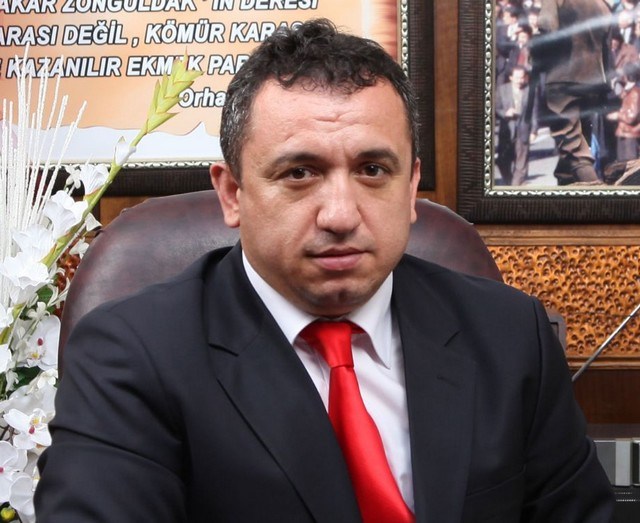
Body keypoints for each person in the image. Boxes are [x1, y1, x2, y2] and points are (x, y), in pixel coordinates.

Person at [35, 19, 614, 522]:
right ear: (232, 193)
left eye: (373, 170)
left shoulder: (510, 335)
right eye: (299, 173)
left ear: (412, 185)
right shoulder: (133, 355)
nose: (340, 215)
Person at [531, 0, 613, 185]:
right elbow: (607, 47)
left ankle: (596, 192)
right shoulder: (601, 4)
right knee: (577, 144)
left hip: (564, 78)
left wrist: (534, 50)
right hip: (593, 81)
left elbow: (546, 27)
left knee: (573, 146)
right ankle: (568, 189)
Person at [495, 65, 540, 185]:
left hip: (523, 128)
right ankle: (510, 181)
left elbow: (534, 113)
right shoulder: (502, 90)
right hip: (507, 130)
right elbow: (495, 108)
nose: (520, 80)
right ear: (511, 77)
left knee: (521, 161)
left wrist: (534, 131)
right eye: (517, 78)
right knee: (502, 161)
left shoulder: (531, 91)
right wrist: (505, 113)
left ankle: (515, 185)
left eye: (522, 77)